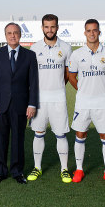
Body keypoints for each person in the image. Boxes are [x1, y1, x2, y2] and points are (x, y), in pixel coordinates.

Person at [0, 23, 39, 184]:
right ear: (5, 35)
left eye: (15, 33)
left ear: (20, 35)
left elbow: (33, 82)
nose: (12, 36)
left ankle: (17, 172)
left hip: (20, 105)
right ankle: (1, 172)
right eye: (9, 33)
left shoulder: (29, 56)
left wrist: (32, 104)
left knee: (18, 139)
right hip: (0, 105)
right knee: (0, 140)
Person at [68, 19, 105, 184]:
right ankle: (79, 169)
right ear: (85, 33)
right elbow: (71, 76)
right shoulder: (77, 54)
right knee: (80, 134)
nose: (91, 33)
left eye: (94, 30)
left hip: (102, 102)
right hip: (83, 102)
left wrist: (103, 89)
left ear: (99, 32)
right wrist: (82, 89)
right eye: (88, 30)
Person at [28, 14, 73, 183]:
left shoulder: (66, 48)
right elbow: (31, 75)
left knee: (61, 134)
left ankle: (64, 169)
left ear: (57, 27)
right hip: (39, 99)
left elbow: (68, 74)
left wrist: (57, 87)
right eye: (46, 27)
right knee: (39, 133)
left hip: (58, 98)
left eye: (52, 27)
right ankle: (37, 167)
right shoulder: (34, 48)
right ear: (42, 28)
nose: (49, 30)